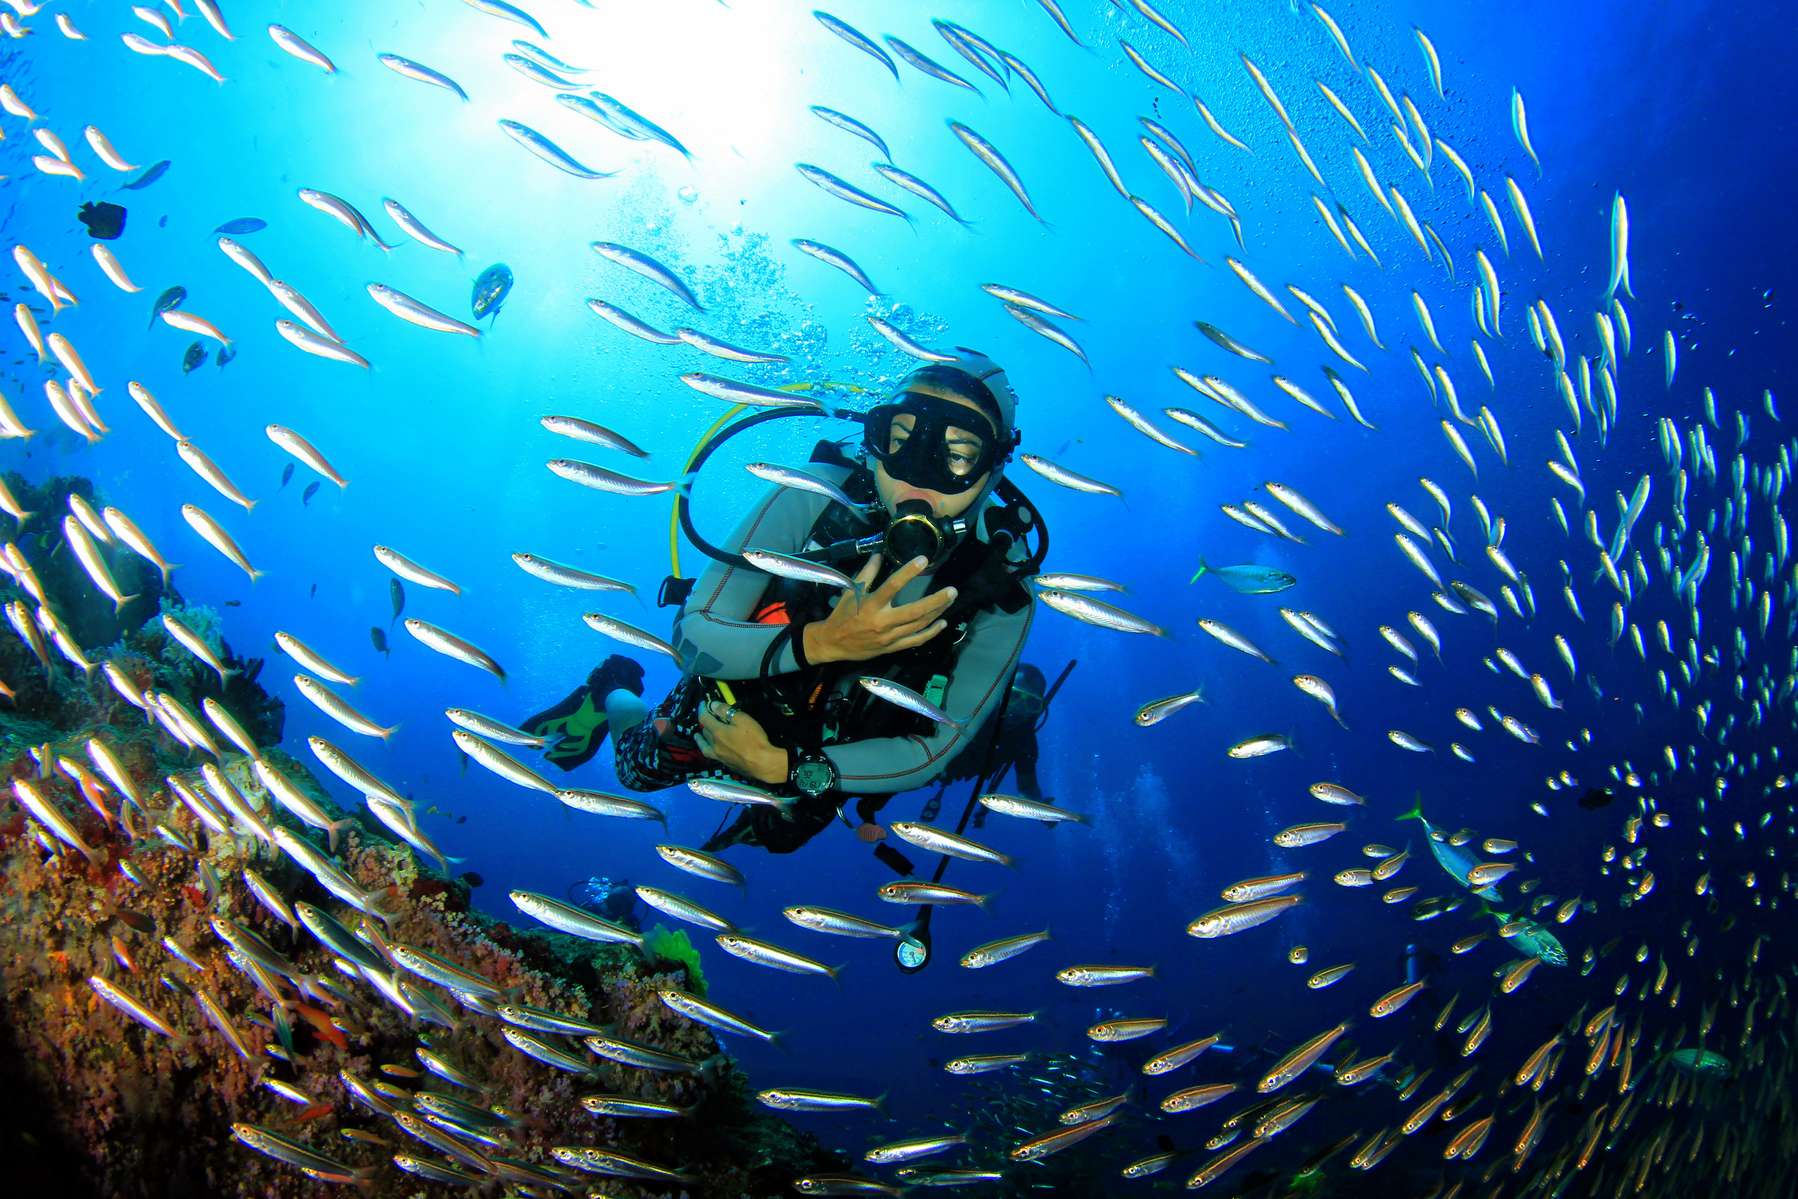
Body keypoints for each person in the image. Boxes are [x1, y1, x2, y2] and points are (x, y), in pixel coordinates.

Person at [612, 350, 1039, 853]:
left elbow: (938, 745)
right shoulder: (814, 494)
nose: (917, 476)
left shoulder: (1003, 589)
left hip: (824, 758)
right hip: (720, 709)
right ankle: (613, 693)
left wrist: (789, 768)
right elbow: (694, 634)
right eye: (899, 440)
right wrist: (822, 643)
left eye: (959, 453)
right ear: (873, 440)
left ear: (993, 466)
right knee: (635, 773)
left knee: (780, 838)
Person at [520, 654, 648, 771]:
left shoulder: (604, 692)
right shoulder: (615, 696)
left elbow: (628, 707)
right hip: (592, 733)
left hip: (600, 711)